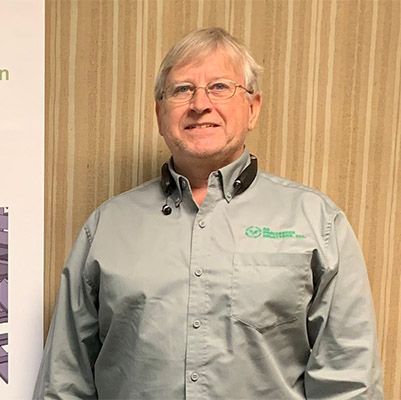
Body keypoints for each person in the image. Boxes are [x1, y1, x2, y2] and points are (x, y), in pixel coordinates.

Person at [33, 27, 383, 399]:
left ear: (253, 107)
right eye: (182, 90)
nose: (200, 103)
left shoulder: (317, 222)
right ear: (159, 113)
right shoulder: (106, 227)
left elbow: (349, 382)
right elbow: (65, 380)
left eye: (220, 86)